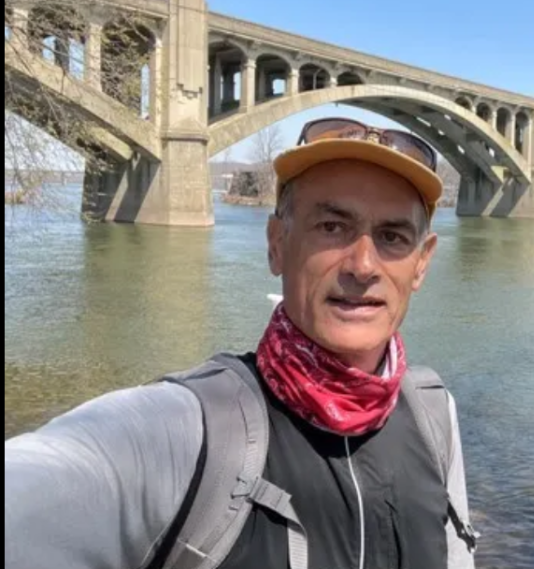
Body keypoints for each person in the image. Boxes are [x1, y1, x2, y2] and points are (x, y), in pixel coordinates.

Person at [5, 117, 479, 569]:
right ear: (276, 244)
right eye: (331, 227)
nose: (363, 265)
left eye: (392, 236)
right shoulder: (186, 431)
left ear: (422, 264)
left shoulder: (434, 418)